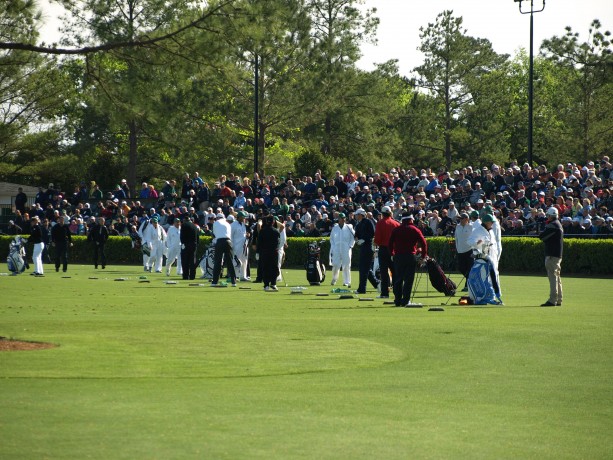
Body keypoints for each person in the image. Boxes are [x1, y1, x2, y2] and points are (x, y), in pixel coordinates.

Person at [388, 213, 428, 307]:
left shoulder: (396, 230)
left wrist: (392, 253)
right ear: (411, 219)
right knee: (408, 280)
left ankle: (397, 300)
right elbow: (423, 243)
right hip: (410, 256)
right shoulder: (415, 229)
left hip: (398, 256)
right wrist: (423, 256)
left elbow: (390, 243)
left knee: (398, 279)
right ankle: (405, 300)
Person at [539, 207, 564, 307]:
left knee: (553, 277)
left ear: (550, 216)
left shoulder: (552, 225)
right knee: (557, 277)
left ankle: (552, 300)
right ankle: (559, 299)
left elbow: (542, 237)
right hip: (557, 255)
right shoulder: (558, 224)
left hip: (551, 255)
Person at [374, 206, 400, 298]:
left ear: (382, 213)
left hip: (383, 249)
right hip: (394, 250)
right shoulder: (396, 224)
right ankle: (398, 293)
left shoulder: (380, 223)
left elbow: (377, 240)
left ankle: (385, 293)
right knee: (395, 272)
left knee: (384, 272)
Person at [353, 208, 378, 294]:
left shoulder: (368, 222)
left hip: (369, 246)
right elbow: (356, 235)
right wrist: (356, 239)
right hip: (363, 247)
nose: (356, 216)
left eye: (357, 214)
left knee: (364, 268)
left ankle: (362, 289)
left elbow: (372, 233)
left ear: (361, 214)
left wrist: (364, 239)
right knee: (365, 268)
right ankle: (377, 284)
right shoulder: (358, 224)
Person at [329, 212, 355, 287]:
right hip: (336, 249)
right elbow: (331, 239)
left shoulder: (349, 227)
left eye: (344, 218)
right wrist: (333, 247)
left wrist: (350, 246)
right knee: (335, 265)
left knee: (346, 265)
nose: (343, 219)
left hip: (346, 249)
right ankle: (334, 278)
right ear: (339, 219)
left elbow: (353, 237)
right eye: (341, 218)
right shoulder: (335, 228)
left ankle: (346, 281)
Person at [211, 213, 237, 286]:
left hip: (220, 241)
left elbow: (214, 235)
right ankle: (233, 282)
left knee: (218, 262)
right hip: (228, 242)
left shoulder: (216, 223)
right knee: (230, 262)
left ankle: (215, 282)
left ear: (218, 218)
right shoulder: (228, 224)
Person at [257, 215, 281, 291]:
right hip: (274, 252)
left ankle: (266, 285)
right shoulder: (276, 231)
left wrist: (258, 252)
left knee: (265, 268)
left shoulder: (262, 231)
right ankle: (273, 284)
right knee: (274, 268)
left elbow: (259, 243)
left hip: (264, 252)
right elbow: (278, 243)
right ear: (273, 222)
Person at [454, 212, 474, 291]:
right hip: (460, 251)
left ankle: (467, 286)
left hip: (469, 250)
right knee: (461, 268)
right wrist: (457, 248)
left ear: (466, 219)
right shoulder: (458, 227)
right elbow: (456, 239)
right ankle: (470, 281)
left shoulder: (471, 227)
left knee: (469, 269)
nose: (460, 220)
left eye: (461, 218)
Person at [231, 211, 251, 281]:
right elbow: (231, 236)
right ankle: (235, 276)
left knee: (244, 261)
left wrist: (247, 236)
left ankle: (243, 276)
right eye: (243, 217)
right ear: (239, 217)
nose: (244, 219)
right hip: (236, 246)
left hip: (244, 245)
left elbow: (243, 235)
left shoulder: (243, 224)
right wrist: (232, 246)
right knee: (236, 261)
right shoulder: (233, 225)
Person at [180, 216, 199, 280]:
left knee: (185, 261)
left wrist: (182, 243)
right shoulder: (195, 226)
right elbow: (197, 237)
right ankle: (192, 276)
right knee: (192, 261)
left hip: (186, 244)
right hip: (194, 245)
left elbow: (182, 236)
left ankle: (185, 276)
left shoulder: (184, 225)